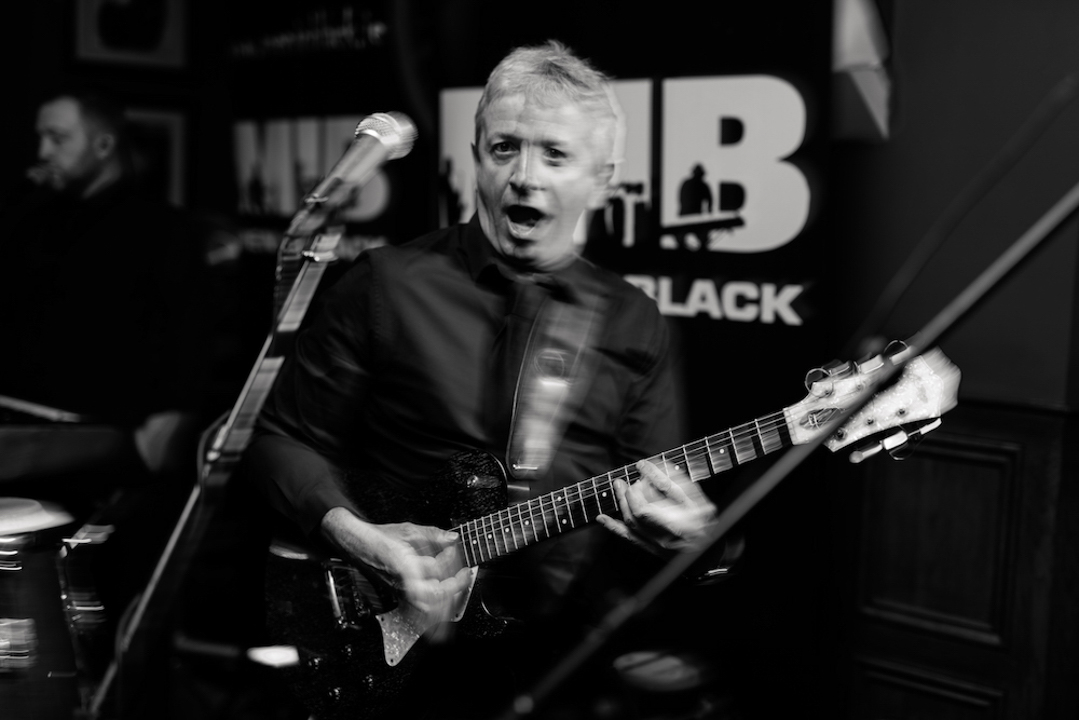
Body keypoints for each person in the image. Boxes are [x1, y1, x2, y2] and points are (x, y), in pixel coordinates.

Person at [246, 40, 720, 719]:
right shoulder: (387, 284)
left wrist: (693, 539)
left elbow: (654, 492)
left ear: (603, 179)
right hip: (382, 641)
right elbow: (277, 441)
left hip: (552, 660)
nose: (523, 176)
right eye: (504, 148)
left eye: (554, 155)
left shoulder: (632, 320)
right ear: (475, 157)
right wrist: (360, 538)